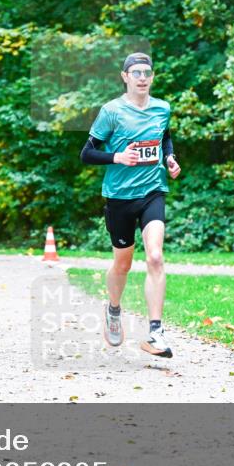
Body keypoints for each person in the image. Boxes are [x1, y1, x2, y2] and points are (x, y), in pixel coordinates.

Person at [79, 52, 182, 358]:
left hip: (153, 191)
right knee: (123, 263)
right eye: (135, 72)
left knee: (155, 256)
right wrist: (118, 157)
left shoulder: (162, 108)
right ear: (125, 77)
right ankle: (113, 309)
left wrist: (169, 158)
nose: (141, 77)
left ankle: (155, 332)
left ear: (151, 77)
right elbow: (87, 153)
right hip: (119, 197)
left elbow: (165, 138)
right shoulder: (111, 111)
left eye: (146, 72)